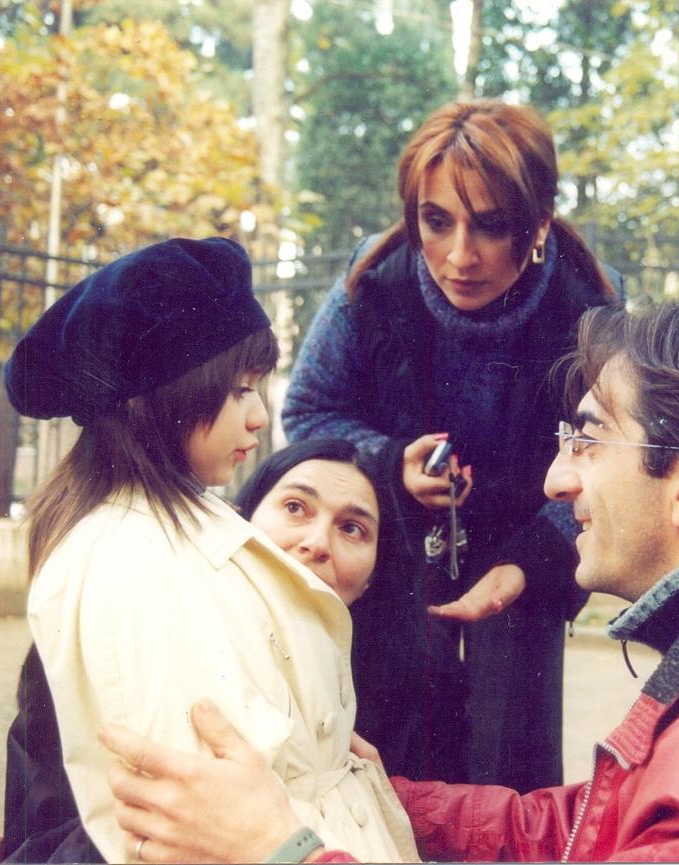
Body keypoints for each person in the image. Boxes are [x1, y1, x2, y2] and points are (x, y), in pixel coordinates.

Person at [99, 292, 679, 863]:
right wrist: (381, 798)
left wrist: (277, 847)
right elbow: (595, 830)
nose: (558, 480)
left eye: (588, 439)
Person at [0, 237, 418, 863]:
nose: (259, 417)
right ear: (157, 395)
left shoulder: (173, 528)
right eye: (240, 389)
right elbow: (196, 810)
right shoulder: (138, 558)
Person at [281, 99, 621, 791]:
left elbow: (610, 455)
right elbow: (310, 410)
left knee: (510, 778)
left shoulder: (588, 307)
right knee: (383, 761)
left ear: (538, 223)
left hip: (527, 558)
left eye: (490, 226)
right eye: (436, 222)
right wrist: (389, 465)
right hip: (397, 553)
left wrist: (530, 562)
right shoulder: (372, 282)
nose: (460, 257)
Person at [0, 436, 413, 863]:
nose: (317, 542)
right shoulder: (134, 624)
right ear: (242, 523)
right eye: (295, 507)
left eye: (352, 528)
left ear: (375, 571)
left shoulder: (401, 689)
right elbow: (44, 832)